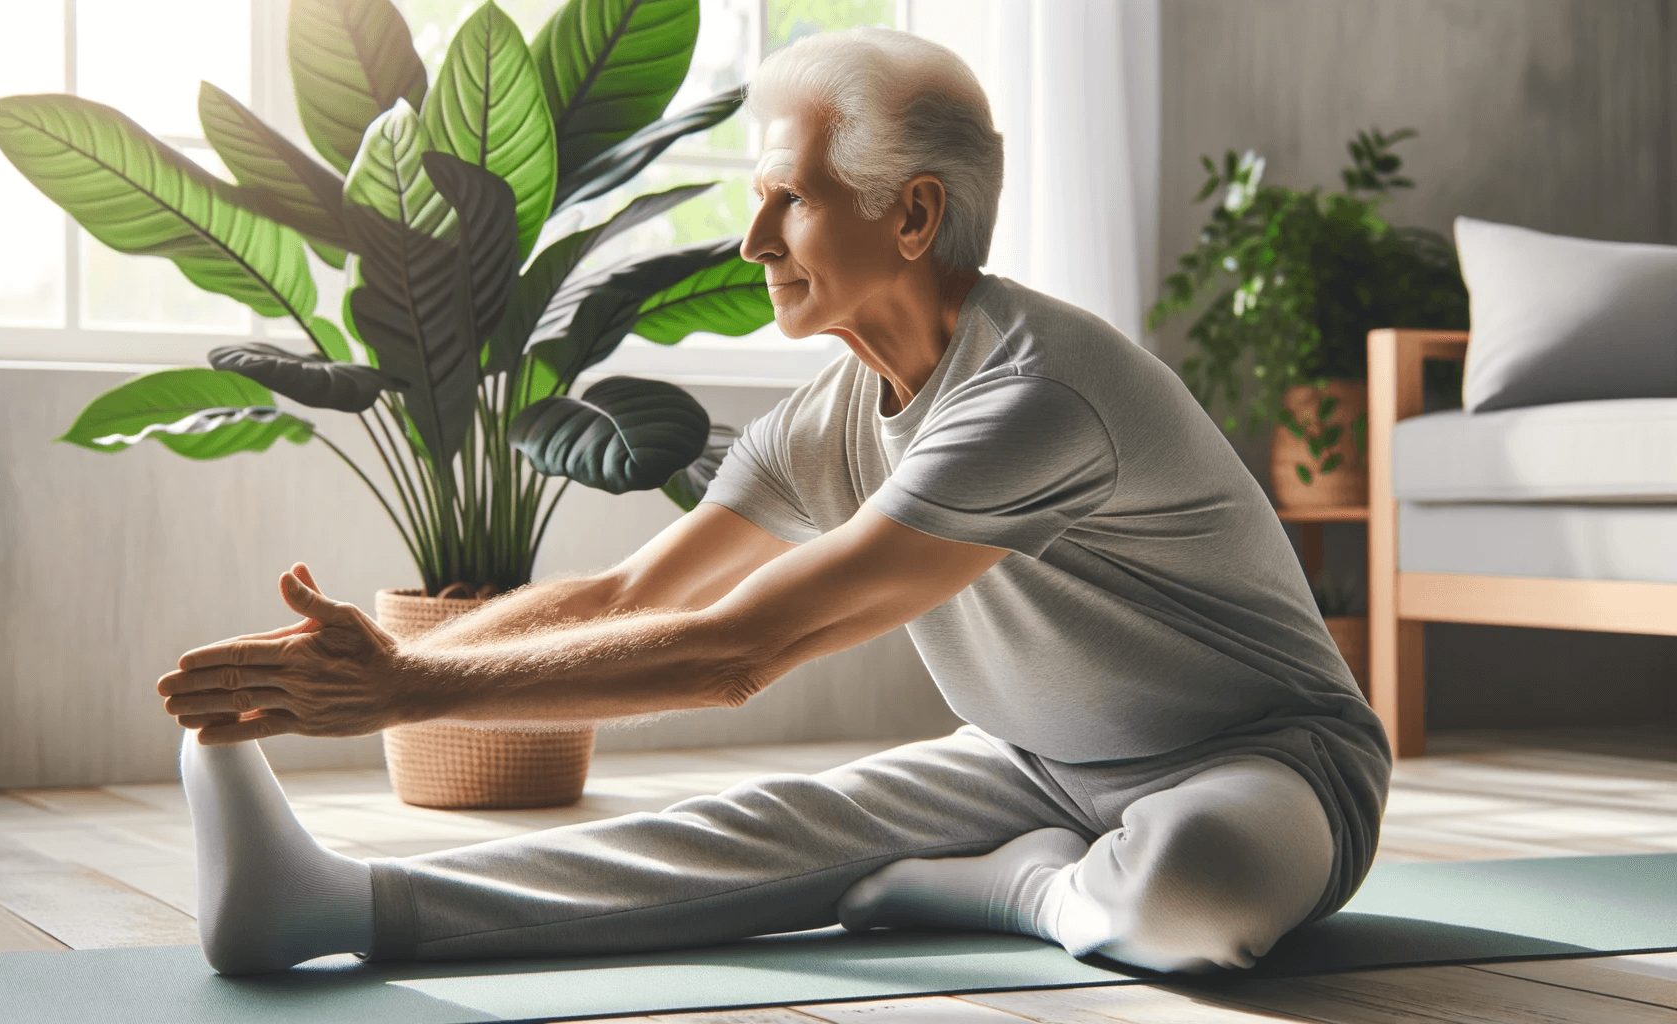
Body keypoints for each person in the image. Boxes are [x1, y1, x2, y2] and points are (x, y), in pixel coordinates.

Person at [157, 27, 1391, 978]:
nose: (752, 240)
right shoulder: (838, 407)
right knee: (764, 823)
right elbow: (635, 594)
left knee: (1192, 892)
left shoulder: (1033, 396)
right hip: (1035, 763)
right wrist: (377, 657)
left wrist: (411, 690)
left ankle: (1018, 888)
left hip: (1267, 766)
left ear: (912, 214)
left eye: (787, 199)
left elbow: (736, 650)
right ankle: (332, 905)